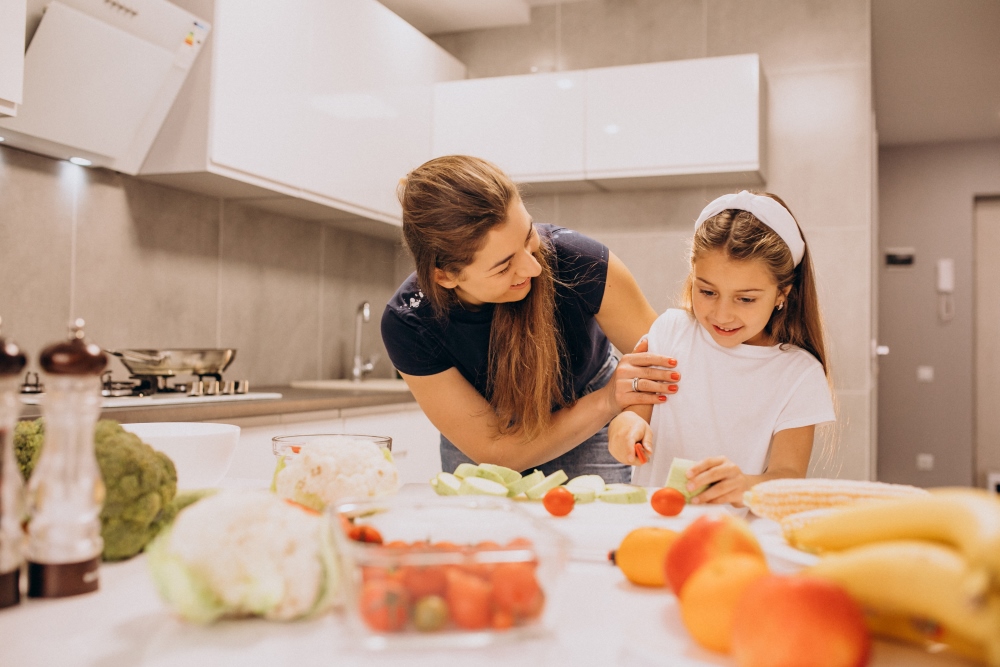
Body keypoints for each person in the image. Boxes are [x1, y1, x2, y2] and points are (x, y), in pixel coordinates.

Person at [381, 155, 682, 483]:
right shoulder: (410, 322)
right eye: (504, 265)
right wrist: (608, 401)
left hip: (593, 431)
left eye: (528, 237)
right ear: (445, 277)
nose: (533, 268)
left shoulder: (581, 261)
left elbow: (668, 369)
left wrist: (629, 414)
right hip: (494, 444)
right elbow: (497, 452)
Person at [609, 190, 835, 505]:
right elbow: (636, 415)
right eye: (708, 291)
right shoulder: (670, 331)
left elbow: (788, 478)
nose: (722, 314)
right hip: (654, 523)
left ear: (782, 294)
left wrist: (744, 485)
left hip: (735, 535)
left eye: (746, 298)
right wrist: (624, 428)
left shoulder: (799, 373)